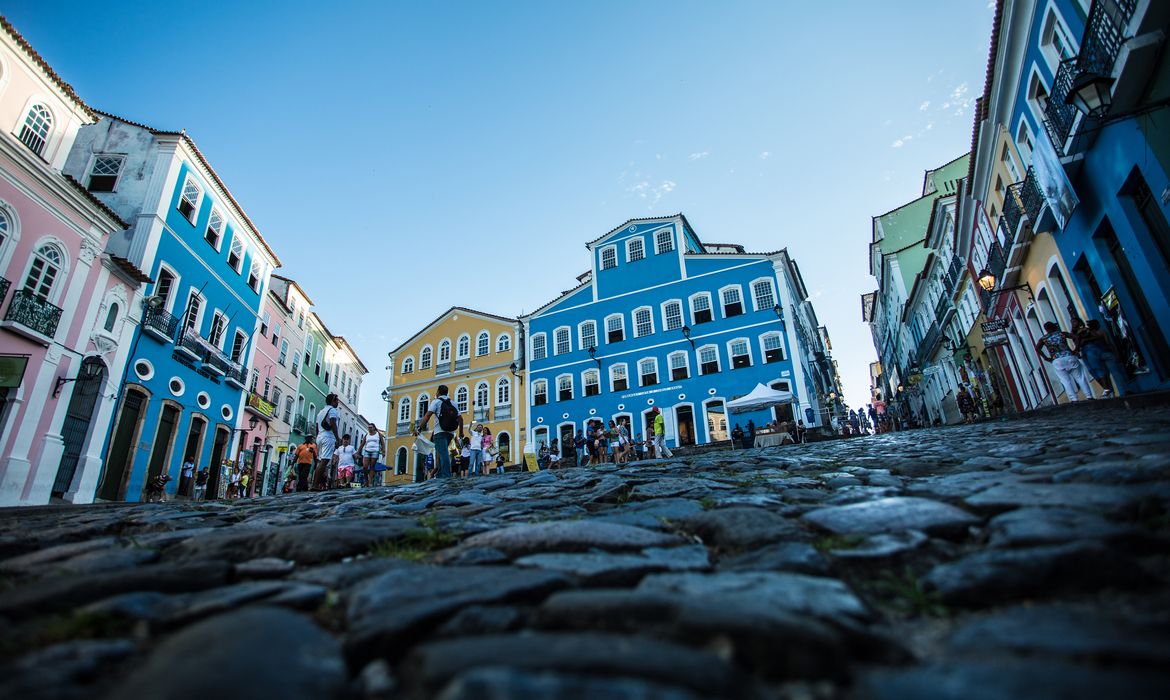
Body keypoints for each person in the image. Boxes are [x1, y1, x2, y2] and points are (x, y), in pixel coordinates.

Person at [1035, 321, 1094, 401]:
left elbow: (1037, 348)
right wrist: (1076, 348)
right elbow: (1076, 337)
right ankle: (1089, 396)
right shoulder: (1062, 334)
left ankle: (1074, 399)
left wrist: (1046, 358)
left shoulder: (1043, 339)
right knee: (1080, 377)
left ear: (1046, 329)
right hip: (1069, 356)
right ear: (1054, 327)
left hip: (1057, 360)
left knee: (1065, 381)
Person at [414, 384, 464, 479]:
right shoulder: (453, 403)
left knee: (444, 453)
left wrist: (419, 427)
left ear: (438, 392)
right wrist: (461, 432)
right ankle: (440, 475)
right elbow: (460, 419)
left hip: (439, 432)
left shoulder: (436, 402)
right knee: (441, 453)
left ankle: (446, 476)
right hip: (450, 432)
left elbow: (428, 415)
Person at [1077, 318, 1124, 398]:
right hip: (1106, 353)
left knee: (1103, 375)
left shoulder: (1088, 334)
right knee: (1115, 373)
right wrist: (1116, 354)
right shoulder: (1102, 332)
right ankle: (1123, 392)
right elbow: (1109, 343)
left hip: (1097, 356)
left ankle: (1110, 392)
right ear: (1097, 325)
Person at [314, 394, 342, 490]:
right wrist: (337, 438)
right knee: (324, 461)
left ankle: (317, 484)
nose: (338, 402)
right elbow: (333, 423)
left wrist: (317, 437)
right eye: (337, 400)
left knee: (321, 462)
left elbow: (317, 427)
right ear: (333, 401)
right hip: (328, 437)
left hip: (320, 437)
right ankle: (315, 485)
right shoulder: (333, 410)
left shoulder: (321, 412)